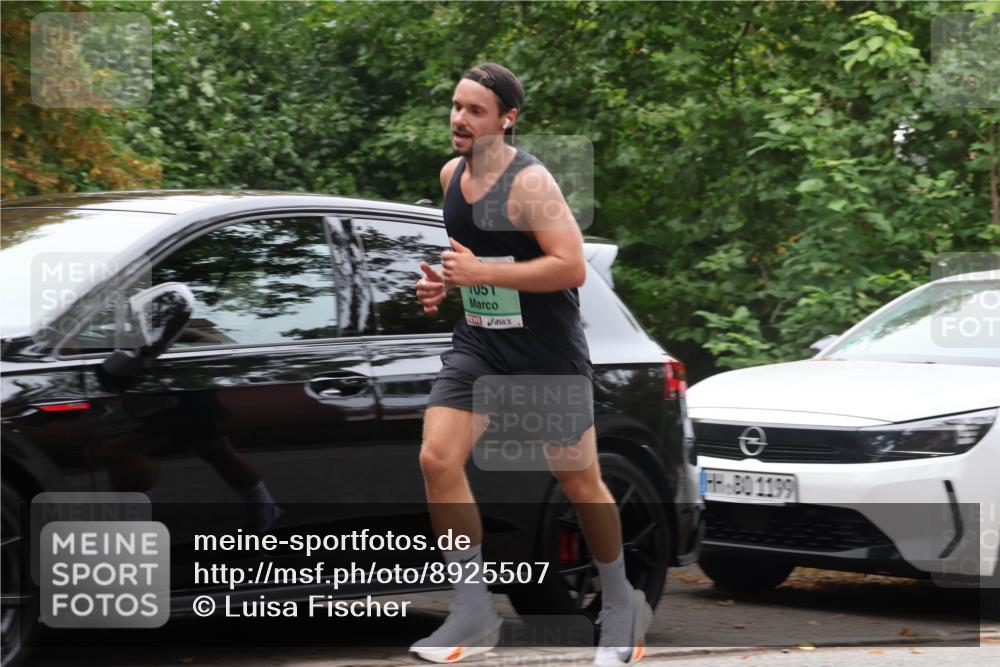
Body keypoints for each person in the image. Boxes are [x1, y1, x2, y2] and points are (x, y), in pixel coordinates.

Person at [408, 63, 652, 666]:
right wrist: (445, 285)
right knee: (437, 458)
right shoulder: (450, 176)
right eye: (456, 107)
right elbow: (480, 260)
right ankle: (472, 608)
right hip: (482, 343)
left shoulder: (530, 184)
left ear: (506, 120)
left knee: (579, 480)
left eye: (475, 111)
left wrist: (480, 274)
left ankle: (623, 605)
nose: (459, 119)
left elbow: (570, 266)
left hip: (545, 351)